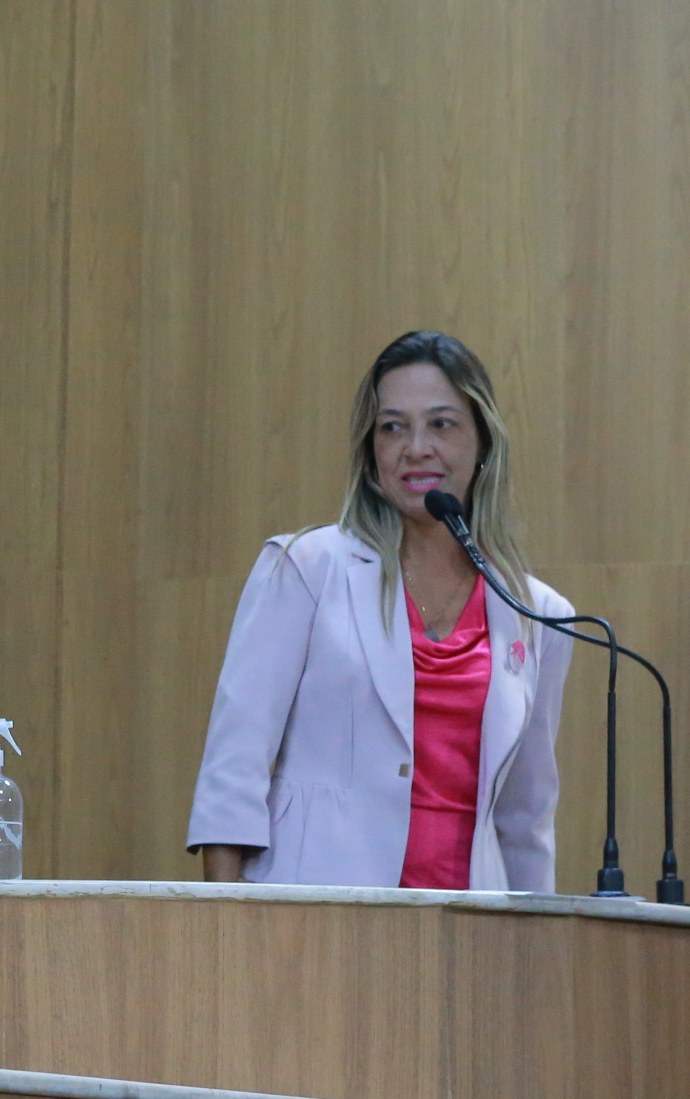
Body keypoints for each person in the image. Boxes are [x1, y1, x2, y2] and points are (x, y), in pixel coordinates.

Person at [187, 331, 573, 890]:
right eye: (392, 427)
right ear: (371, 452)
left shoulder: (537, 614)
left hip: (473, 921)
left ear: (483, 443)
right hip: (321, 909)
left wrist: (536, 934)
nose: (416, 448)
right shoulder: (306, 569)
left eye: (441, 424)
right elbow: (234, 767)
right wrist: (226, 920)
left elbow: (526, 816)